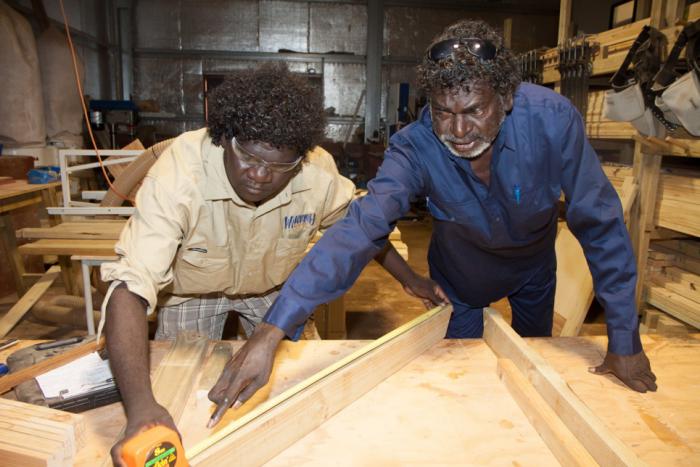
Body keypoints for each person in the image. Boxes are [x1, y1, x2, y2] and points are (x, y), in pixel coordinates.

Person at [206, 19, 657, 422]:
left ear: (505, 99)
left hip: (533, 273)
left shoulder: (552, 121)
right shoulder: (414, 147)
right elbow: (360, 230)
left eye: (474, 111)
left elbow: (599, 223)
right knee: (457, 384)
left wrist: (623, 335)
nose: (458, 132)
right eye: (444, 113)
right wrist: (271, 330)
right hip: (458, 282)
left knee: (528, 377)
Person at [101, 63, 447, 464]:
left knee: (306, 394)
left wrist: (410, 280)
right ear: (226, 138)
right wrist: (140, 409)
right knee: (175, 394)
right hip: (189, 292)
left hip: (273, 292)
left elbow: (361, 230)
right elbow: (131, 285)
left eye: (280, 166)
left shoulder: (316, 172)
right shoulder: (180, 171)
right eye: (248, 157)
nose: (261, 175)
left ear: (299, 158)